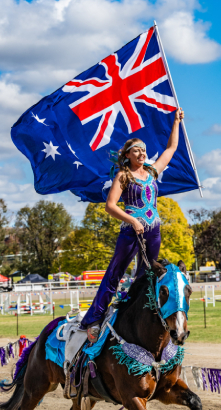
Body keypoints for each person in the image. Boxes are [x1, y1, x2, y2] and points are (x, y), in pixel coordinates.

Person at [80, 108, 185, 342]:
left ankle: (138, 317)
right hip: (131, 231)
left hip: (154, 229)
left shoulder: (152, 172)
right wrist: (132, 220)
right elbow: (110, 205)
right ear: (127, 154)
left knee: (146, 275)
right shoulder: (123, 176)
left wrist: (176, 122)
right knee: (115, 273)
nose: (142, 153)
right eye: (137, 150)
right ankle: (94, 319)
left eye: (144, 150)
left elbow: (171, 149)